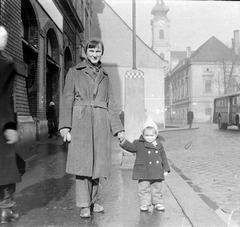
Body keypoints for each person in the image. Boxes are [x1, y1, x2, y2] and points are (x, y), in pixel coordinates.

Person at [59, 37, 124, 218]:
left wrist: (118, 129)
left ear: (101, 53)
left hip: (101, 122)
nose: (94, 54)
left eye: (98, 51)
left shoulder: (105, 76)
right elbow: (66, 100)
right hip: (81, 122)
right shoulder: (74, 72)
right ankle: (83, 204)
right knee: (82, 164)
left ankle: (93, 200)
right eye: (91, 51)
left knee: (98, 164)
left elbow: (111, 103)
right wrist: (65, 126)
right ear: (86, 52)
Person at [119, 117, 170, 212]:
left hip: (156, 171)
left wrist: (165, 168)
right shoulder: (139, 144)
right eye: (147, 135)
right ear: (143, 135)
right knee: (143, 188)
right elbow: (130, 147)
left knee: (157, 187)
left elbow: (163, 157)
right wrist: (123, 142)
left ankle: (158, 202)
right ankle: (145, 203)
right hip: (144, 170)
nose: (149, 137)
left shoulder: (159, 144)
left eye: (152, 135)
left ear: (156, 135)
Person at [0, 26, 20, 224]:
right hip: (2, 122)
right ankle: (6, 208)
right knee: (6, 167)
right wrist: (10, 124)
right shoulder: (7, 64)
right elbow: (6, 97)